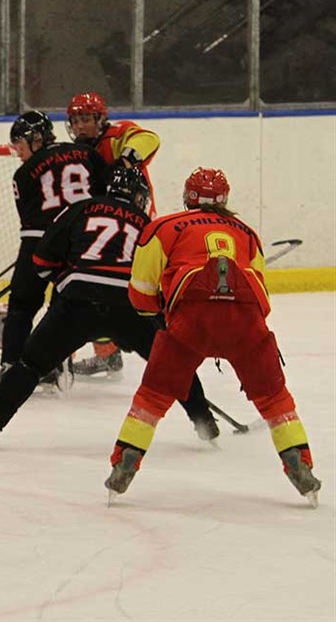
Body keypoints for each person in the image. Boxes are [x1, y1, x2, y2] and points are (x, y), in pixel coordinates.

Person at [104, 167, 322, 506]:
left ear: (187, 197)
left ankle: (126, 461)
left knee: (152, 397)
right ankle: (300, 462)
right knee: (274, 398)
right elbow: (262, 298)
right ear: (224, 199)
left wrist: (164, 311)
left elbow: (141, 293)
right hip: (245, 321)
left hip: (190, 321)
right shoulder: (247, 233)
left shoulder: (164, 227)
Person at [0, 165, 218, 446]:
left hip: (77, 303)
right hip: (128, 305)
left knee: (30, 365)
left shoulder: (80, 208)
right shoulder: (147, 224)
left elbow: (40, 261)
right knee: (174, 364)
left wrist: (67, 284)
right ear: (139, 196)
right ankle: (205, 422)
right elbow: (159, 278)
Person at [0, 110, 108, 390]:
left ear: (35, 139)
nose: (19, 153)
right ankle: (51, 363)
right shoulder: (88, 154)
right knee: (63, 306)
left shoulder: (24, 173)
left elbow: (29, 220)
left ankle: (11, 364)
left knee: (22, 304)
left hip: (39, 239)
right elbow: (104, 195)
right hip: (83, 243)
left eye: (20, 146)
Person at [66, 91, 162, 378]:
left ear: (100, 119)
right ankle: (107, 355)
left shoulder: (117, 135)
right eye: (75, 121)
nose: (80, 126)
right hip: (107, 230)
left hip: (136, 228)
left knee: (137, 296)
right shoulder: (79, 153)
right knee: (96, 290)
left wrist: (125, 161)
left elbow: (149, 139)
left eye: (86, 119)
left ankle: (166, 354)